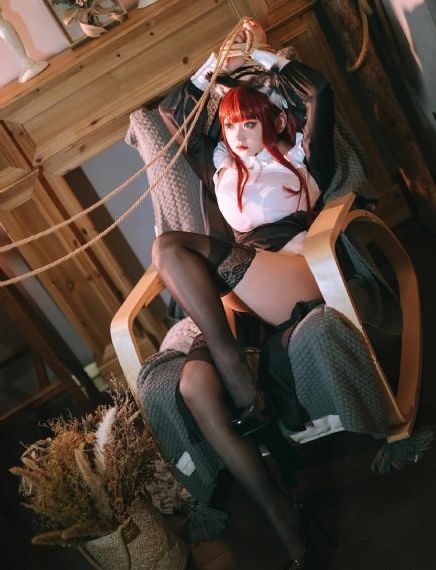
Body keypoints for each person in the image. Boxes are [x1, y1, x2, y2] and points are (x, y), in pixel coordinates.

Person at [153, 19, 335, 568]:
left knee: (168, 247)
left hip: (290, 271)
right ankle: (283, 516)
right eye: (231, 124)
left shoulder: (303, 157)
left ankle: (235, 365)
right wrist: (214, 66)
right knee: (194, 384)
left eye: (249, 122)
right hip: (239, 287)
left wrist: (265, 57)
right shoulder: (219, 168)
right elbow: (173, 110)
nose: (237, 134)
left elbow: (317, 91)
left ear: (275, 120)